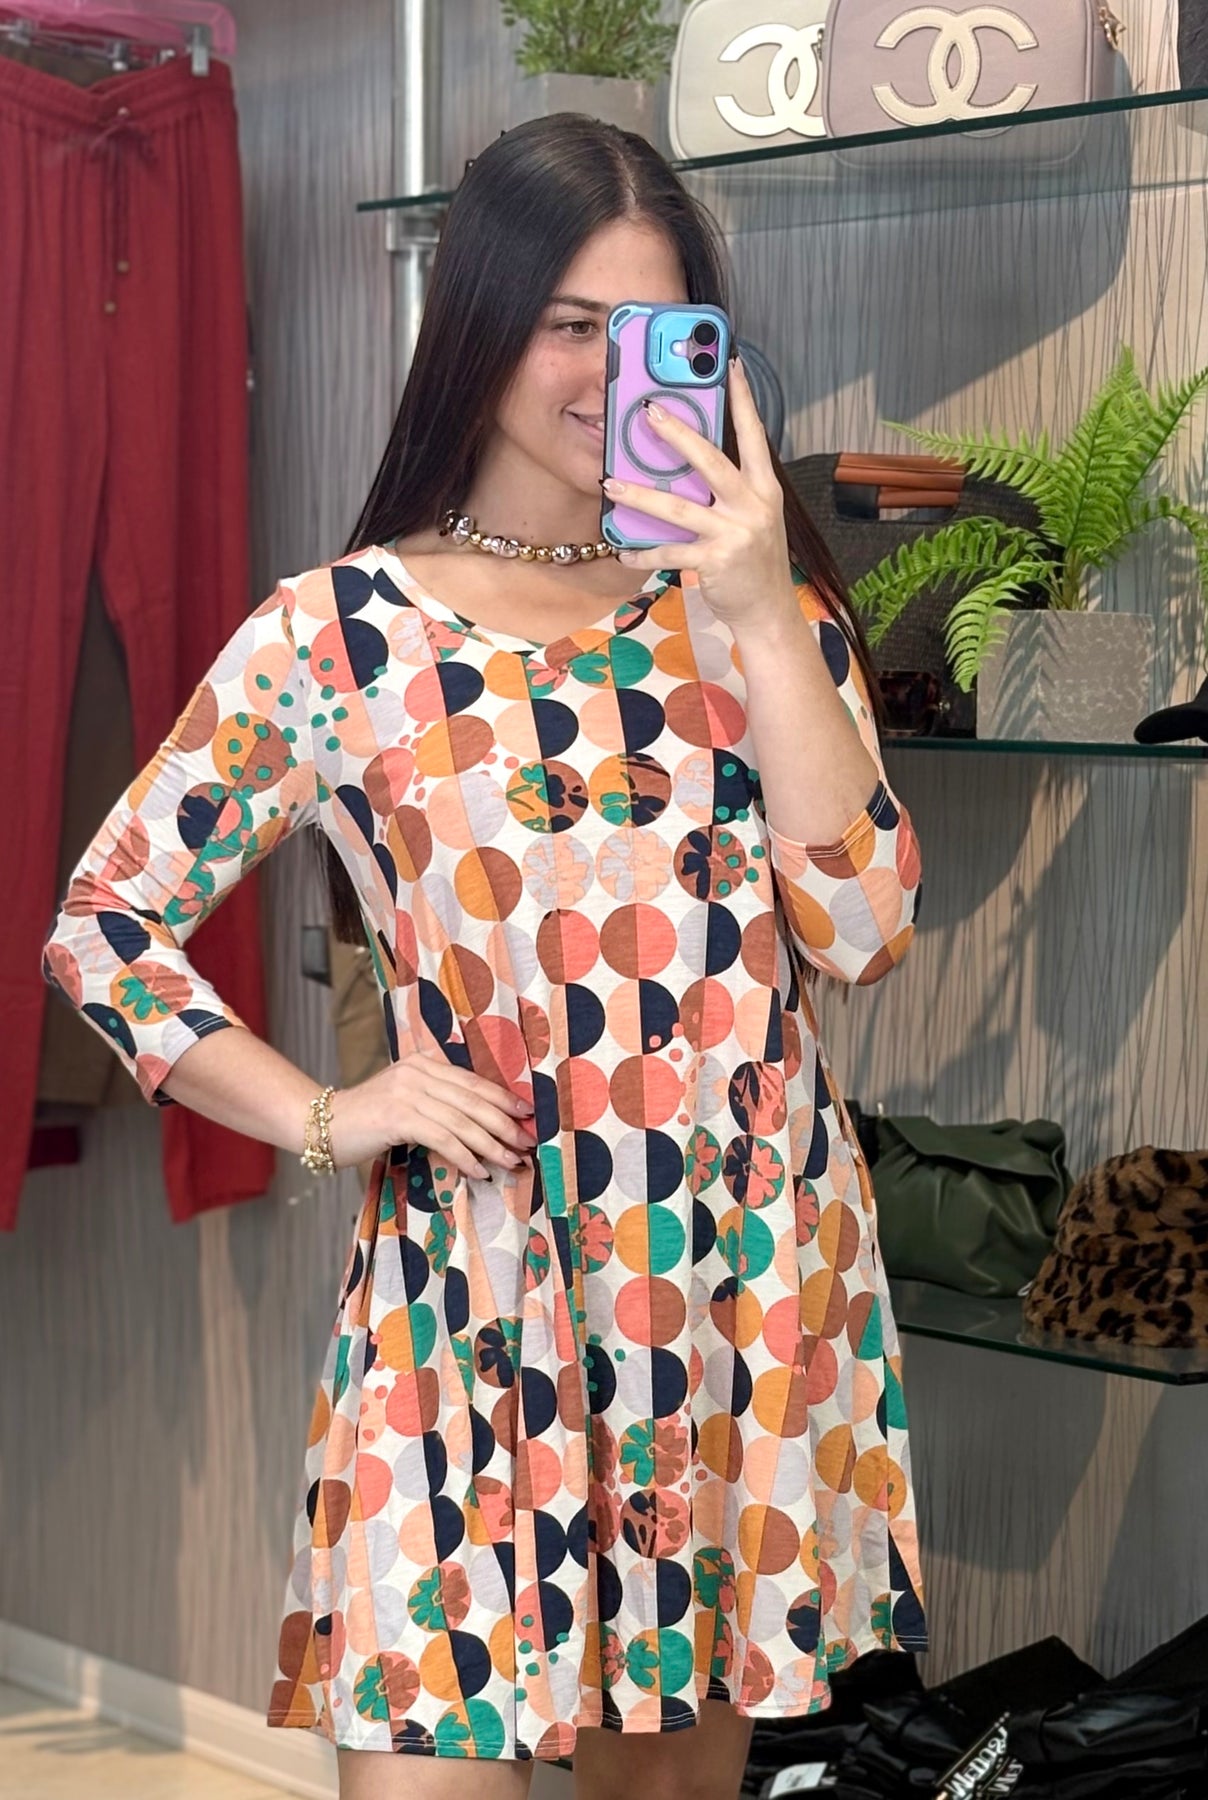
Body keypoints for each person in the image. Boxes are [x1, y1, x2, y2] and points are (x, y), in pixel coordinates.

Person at [42, 113, 925, 1800]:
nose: (608, 374)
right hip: (468, 1298)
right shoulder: (341, 633)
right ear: (484, 320)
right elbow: (104, 924)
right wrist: (327, 1112)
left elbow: (868, 930)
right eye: (569, 324)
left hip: (723, 1295)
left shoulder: (758, 613)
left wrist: (757, 606)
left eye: (653, 330)